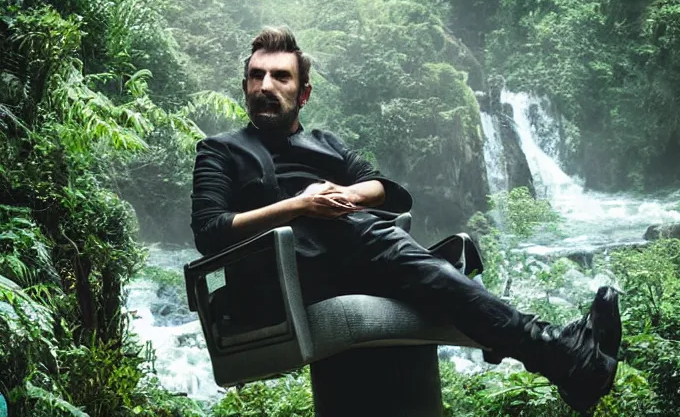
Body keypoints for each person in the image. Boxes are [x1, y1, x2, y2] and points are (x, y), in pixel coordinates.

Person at [190, 26, 621, 413]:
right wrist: (300, 206)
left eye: (280, 76)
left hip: (343, 259)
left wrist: (347, 194)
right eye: (256, 76)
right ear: (245, 85)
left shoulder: (326, 144)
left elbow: (380, 186)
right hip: (275, 278)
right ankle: (563, 353)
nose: (265, 85)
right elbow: (209, 232)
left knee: (400, 245)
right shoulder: (220, 150)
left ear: (303, 93)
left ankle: (563, 358)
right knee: (398, 247)